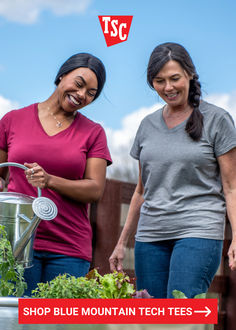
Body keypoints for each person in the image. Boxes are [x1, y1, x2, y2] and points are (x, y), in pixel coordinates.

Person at [109, 42, 236, 298]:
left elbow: (231, 186)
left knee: (180, 317)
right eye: (159, 81)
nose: (168, 87)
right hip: (150, 236)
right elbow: (141, 191)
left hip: (198, 231)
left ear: (190, 74)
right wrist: (121, 243)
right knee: (150, 318)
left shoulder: (217, 120)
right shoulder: (147, 126)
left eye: (174, 78)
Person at [0, 53, 112, 296]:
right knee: (15, 329)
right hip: (16, 247)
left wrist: (50, 181)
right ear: (62, 75)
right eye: (79, 84)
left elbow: (95, 189)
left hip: (68, 249)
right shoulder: (13, 120)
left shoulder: (93, 133)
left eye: (91, 93)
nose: (82, 95)